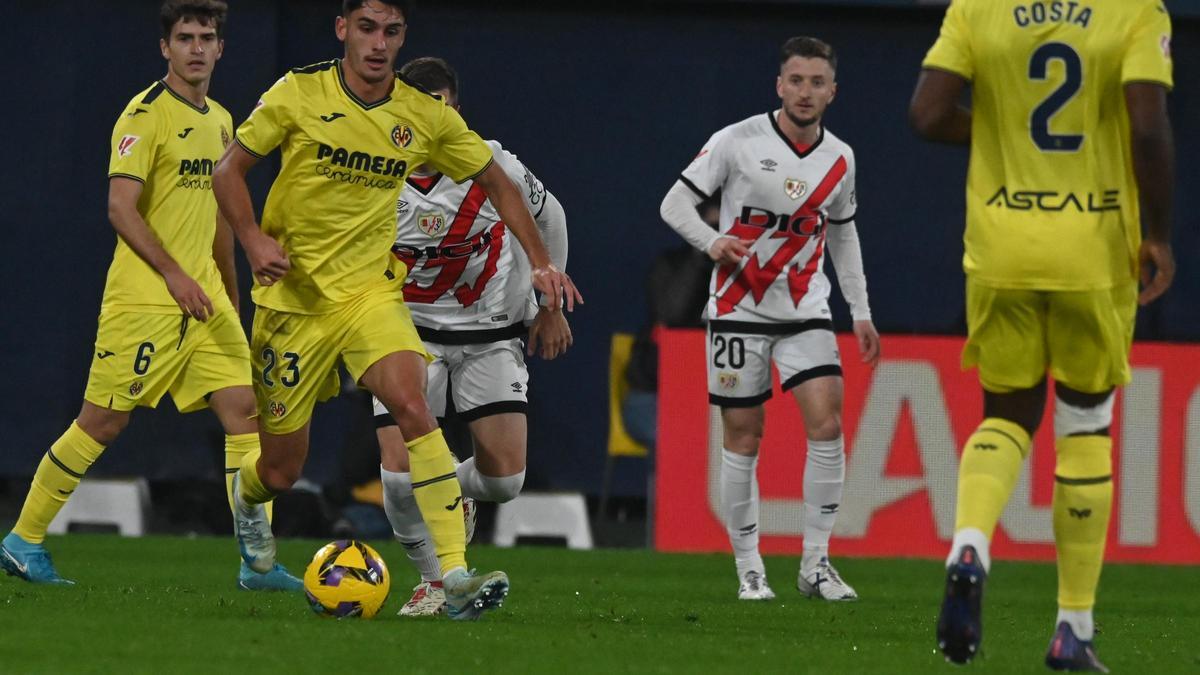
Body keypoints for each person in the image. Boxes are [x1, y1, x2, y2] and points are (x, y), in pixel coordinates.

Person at [211, 0, 580, 621]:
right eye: (367, 29)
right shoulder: (297, 93)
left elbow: (496, 180)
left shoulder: (424, 116)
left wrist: (542, 265)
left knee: (413, 406)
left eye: (392, 32)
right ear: (342, 30)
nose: (379, 43)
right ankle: (249, 504)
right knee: (279, 468)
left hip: (372, 296)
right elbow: (229, 171)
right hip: (294, 303)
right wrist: (252, 239)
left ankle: (453, 576)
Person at [0, 0, 301, 592]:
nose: (195, 47)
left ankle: (256, 562)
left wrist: (229, 294)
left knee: (247, 413)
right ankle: (22, 540)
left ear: (220, 48)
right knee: (104, 422)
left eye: (205, 37)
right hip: (147, 298)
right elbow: (120, 207)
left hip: (207, 302)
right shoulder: (143, 115)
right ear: (165, 47)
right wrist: (173, 274)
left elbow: (218, 218)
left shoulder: (221, 120)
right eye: (184, 37)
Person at [909, 0, 1175, 669]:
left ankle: (969, 543)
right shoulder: (1135, 12)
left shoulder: (977, 8)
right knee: (1085, 420)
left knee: (1005, 414)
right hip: (1093, 252)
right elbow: (1148, 130)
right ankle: (1072, 629)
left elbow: (928, 113)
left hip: (1000, 249)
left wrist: (1002, 135)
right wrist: (1161, 234)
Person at [660, 36, 880, 602]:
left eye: (817, 82)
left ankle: (816, 564)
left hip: (806, 309)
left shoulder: (842, 158)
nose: (806, 92)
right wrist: (713, 244)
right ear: (779, 85)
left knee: (827, 422)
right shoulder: (737, 141)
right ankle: (750, 569)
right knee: (744, 435)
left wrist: (860, 311)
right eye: (796, 81)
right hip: (737, 309)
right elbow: (674, 204)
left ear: (833, 91)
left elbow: (843, 233)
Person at [372, 56, 572, 617]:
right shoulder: (375, 171)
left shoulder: (493, 162)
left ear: (457, 110)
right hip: (407, 334)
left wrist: (547, 303)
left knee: (505, 483)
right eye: (425, 109)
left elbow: (550, 216)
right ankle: (436, 582)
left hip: (491, 331)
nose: (439, 122)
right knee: (395, 478)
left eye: (448, 109)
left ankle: (450, 490)